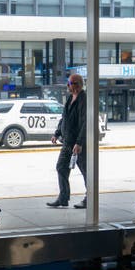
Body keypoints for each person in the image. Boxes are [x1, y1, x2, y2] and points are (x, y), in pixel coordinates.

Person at [47, 73, 88, 209]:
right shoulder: (70, 98)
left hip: (78, 144)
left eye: (74, 83)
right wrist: (57, 133)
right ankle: (63, 197)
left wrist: (79, 142)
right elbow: (64, 118)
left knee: (86, 171)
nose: (71, 86)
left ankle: (90, 198)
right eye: (70, 83)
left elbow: (84, 122)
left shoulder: (83, 98)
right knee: (61, 167)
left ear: (80, 84)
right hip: (67, 142)